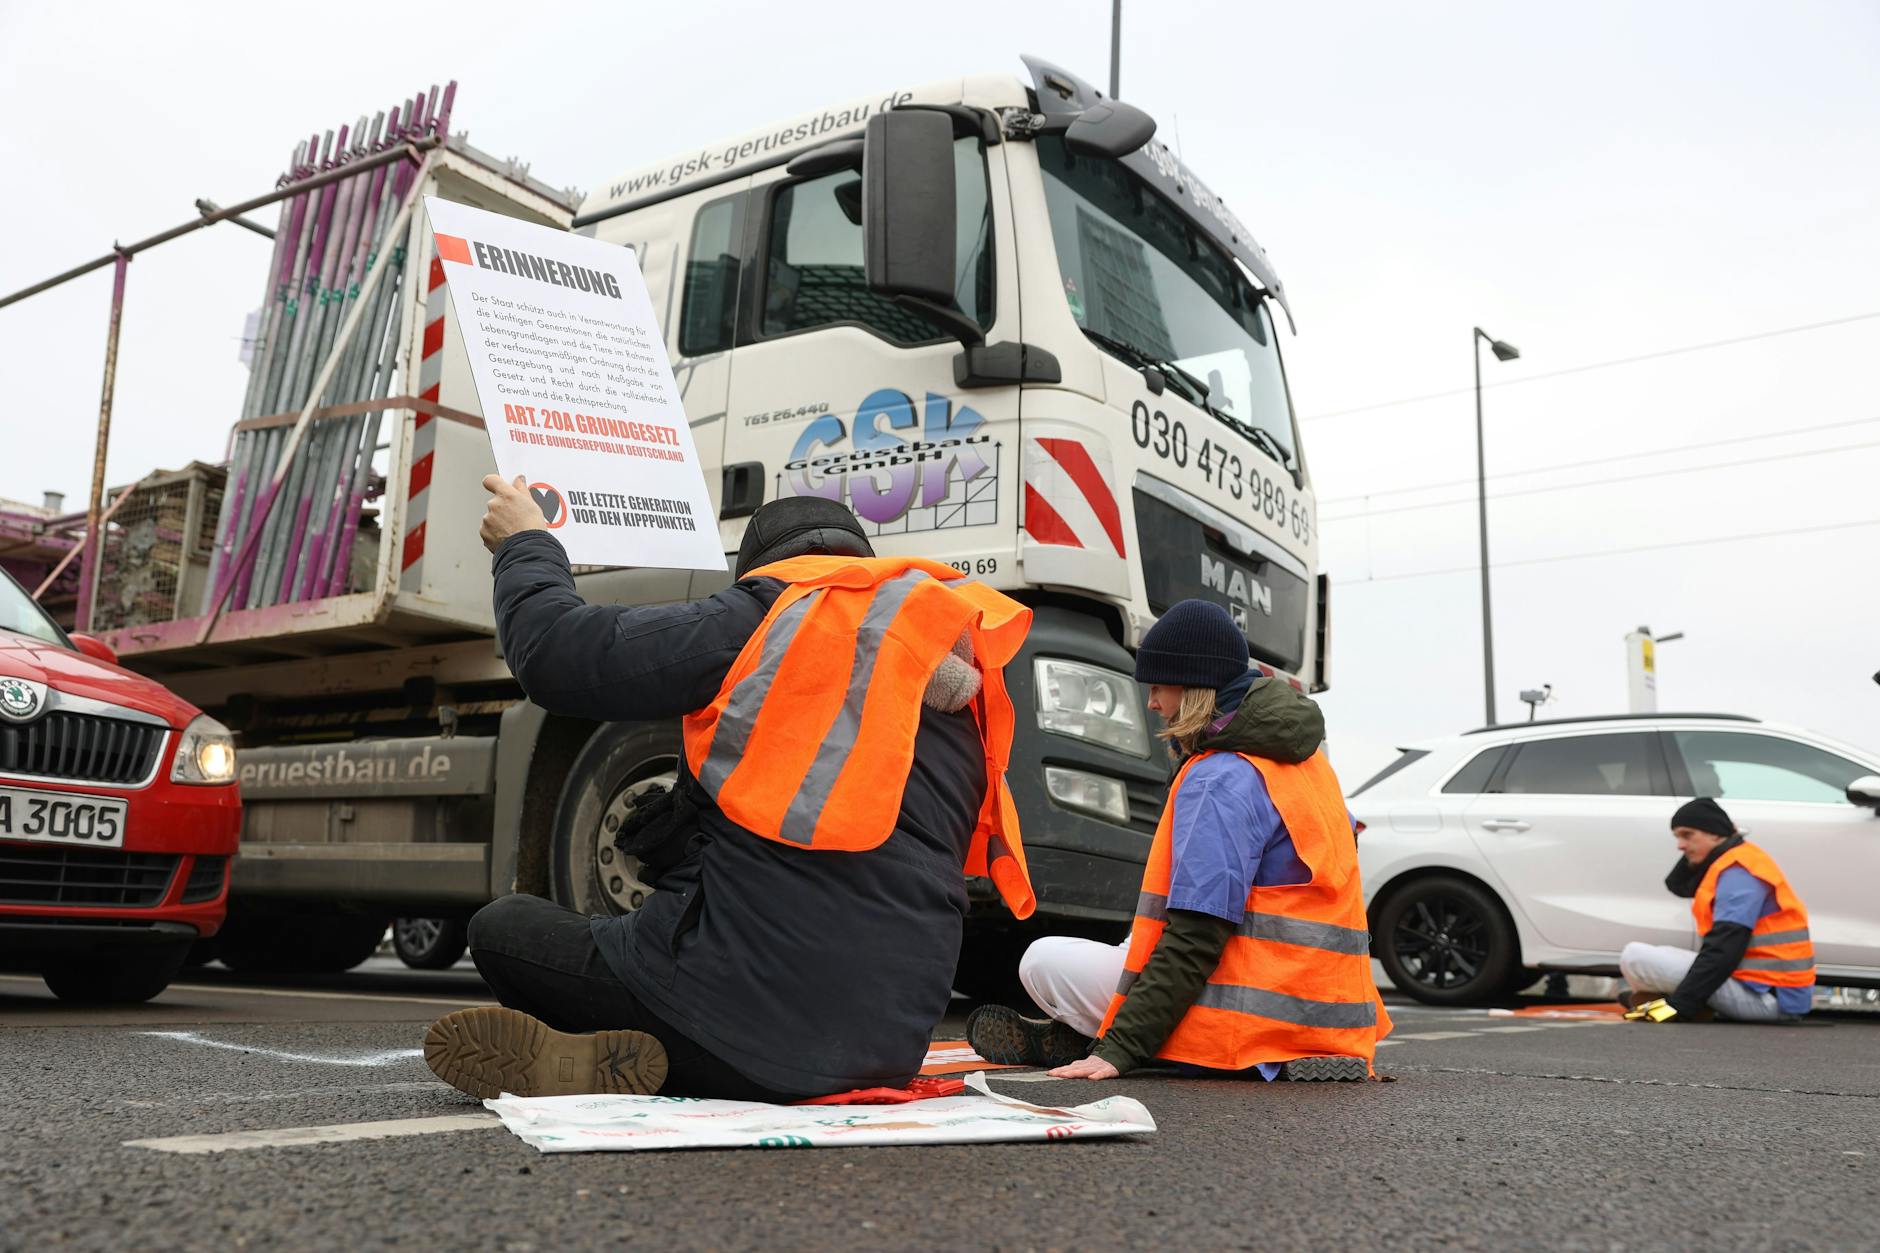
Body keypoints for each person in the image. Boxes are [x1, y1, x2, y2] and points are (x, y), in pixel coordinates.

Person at [422, 477, 1035, 1102]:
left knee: (504, 929)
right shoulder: (965, 704)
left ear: (764, 572)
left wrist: (526, 541)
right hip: (887, 1050)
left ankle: (635, 1050)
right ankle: (645, 1053)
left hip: (734, 1032)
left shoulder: (770, 615)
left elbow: (556, 652)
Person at [966, 598, 1391, 1082]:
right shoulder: (1311, 765)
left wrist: (1122, 1049)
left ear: (1194, 688)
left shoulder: (1219, 777)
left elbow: (1197, 935)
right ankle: (1103, 1035)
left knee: (1042, 961)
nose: (1151, 703)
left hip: (1249, 1017)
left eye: (1158, 687)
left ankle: (1121, 1040)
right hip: (1333, 1016)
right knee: (1135, 944)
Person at [1619, 797, 1815, 1023]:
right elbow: (1678, 885)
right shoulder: (1733, 859)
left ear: (1715, 834)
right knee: (1639, 957)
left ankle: (1679, 1003)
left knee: (1635, 957)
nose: (1680, 845)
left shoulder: (1739, 871)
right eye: (1677, 837)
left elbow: (1725, 946)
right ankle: (1692, 1003)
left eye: (1687, 835)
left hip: (1768, 999)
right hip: (1757, 988)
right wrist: (1722, 840)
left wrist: (1679, 1006)